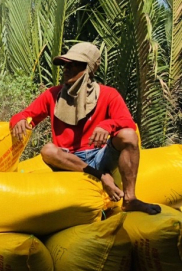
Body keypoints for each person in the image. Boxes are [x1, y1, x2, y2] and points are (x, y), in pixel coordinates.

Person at [10, 42, 160, 215]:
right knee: (48, 150)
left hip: (100, 156)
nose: (66, 69)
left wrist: (107, 125)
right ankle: (101, 176)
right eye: (65, 65)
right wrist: (20, 119)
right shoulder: (52, 95)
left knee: (128, 135)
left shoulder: (108, 94)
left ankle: (130, 200)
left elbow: (128, 123)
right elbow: (24, 115)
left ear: (89, 69)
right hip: (69, 161)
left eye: (73, 64)